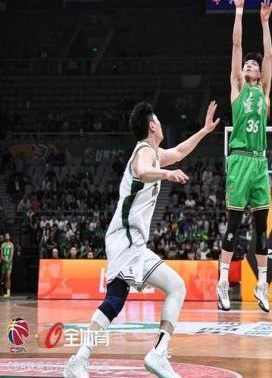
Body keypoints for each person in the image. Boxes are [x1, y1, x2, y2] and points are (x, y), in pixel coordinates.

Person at [64, 101, 219, 378]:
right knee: (127, 297)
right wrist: (168, 174)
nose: (160, 122)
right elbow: (143, 171)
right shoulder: (144, 151)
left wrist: (205, 131)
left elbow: (179, 151)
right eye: (157, 119)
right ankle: (83, 359)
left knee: (163, 289)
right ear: (151, 126)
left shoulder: (154, 153)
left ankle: (152, 353)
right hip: (125, 237)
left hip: (133, 242)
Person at [216, 0, 272, 313]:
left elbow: (269, 55)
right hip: (239, 160)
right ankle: (223, 282)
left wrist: (264, 23)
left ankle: (261, 285)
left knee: (262, 228)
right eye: (247, 64)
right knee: (234, 225)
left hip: (260, 162)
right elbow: (237, 46)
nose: (251, 65)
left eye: (254, 65)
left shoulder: (264, 93)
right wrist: (239, 9)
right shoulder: (237, 89)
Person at [1, 234, 14, 298]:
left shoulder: (11, 244)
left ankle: (8, 293)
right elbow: (1, 255)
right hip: (4, 263)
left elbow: (11, 255)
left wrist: (9, 261)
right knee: (3, 278)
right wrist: (5, 260)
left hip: (9, 263)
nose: (7, 237)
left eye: (8, 236)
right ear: (5, 237)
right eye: (6, 236)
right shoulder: (2, 245)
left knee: (8, 277)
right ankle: (3, 292)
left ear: (9, 237)